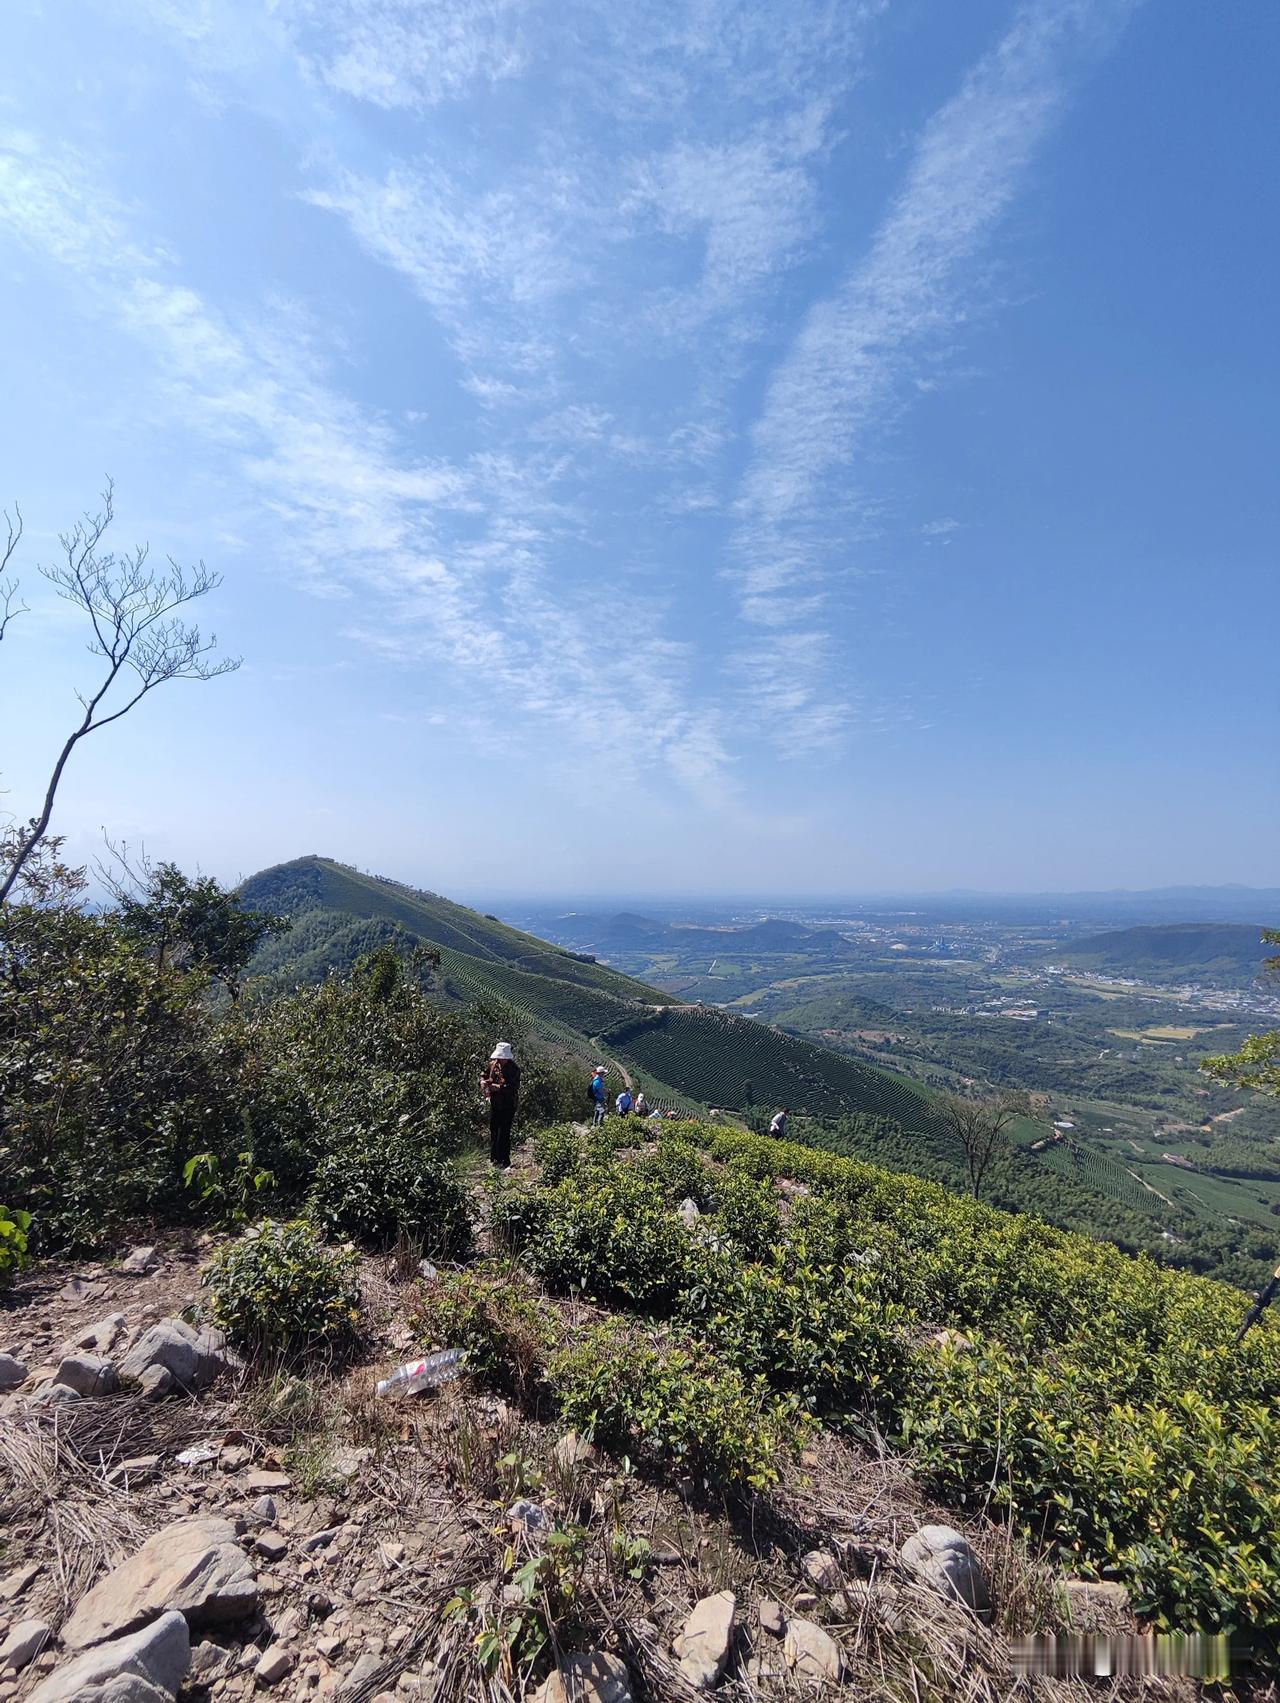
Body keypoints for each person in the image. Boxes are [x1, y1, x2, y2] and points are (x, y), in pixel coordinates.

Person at [482, 1041, 521, 1168]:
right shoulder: (493, 1065)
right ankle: (494, 1158)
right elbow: (484, 1075)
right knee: (494, 1129)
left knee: (504, 1131)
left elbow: (513, 1087)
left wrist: (498, 1087)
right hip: (496, 1102)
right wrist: (482, 1081)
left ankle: (505, 1159)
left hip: (508, 1103)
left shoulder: (514, 1069)